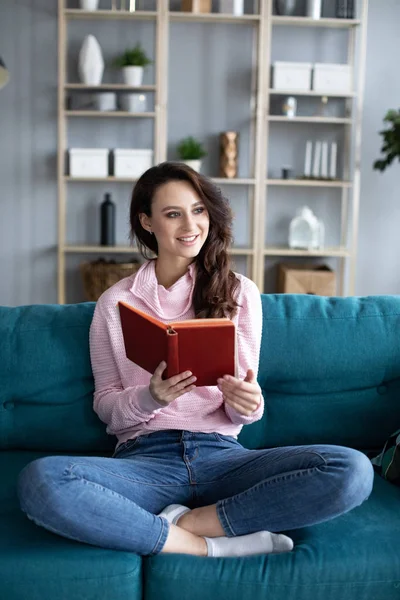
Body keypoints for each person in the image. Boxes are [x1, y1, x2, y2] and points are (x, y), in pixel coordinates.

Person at [17, 162, 374, 558]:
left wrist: (248, 403)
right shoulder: (115, 302)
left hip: (223, 458)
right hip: (145, 463)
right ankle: (206, 548)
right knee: (42, 480)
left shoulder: (239, 292)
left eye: (198, 210)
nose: (191, 224)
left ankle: (193, 523)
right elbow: (106, 406)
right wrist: (150, 399)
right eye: (173, 213)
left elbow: (244, 401)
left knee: (352, 470)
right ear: (147, 222)